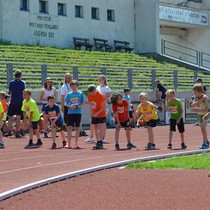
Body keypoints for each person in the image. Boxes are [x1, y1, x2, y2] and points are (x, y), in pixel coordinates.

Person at [85, 75, 111, 143]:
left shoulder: (106, 88)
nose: (99, 81)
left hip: (103, 106)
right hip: (96, 106)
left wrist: (103, 100)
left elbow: (108, 97)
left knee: (101, 124)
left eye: (101, 79)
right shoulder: (97, 87)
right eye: (98, 79)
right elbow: (92, 101)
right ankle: (93, 137)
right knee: (93, 123)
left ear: (104, 80)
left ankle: (103, 138)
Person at [65, 80, 85, 149]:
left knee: (77, 127)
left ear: (77, 86)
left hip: (78, 112)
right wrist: (70, 106)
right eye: (72, 86)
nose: (73, 87)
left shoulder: (80, 94)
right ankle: (68, 143)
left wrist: (77, 107)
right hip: (70, 112)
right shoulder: (69, 94)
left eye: (75, 86)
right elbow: (66, 103)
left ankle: (76, 143)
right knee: (69, 127)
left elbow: (83, 103)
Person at [5, 70, 25, 138]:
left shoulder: (11, 82)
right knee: (18, 118)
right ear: (20, 76)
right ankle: (17, 132)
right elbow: (23, 91)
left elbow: (10, 91)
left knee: (10, 117)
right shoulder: (22, 83)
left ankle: (9, 131)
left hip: (13, 101)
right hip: (20, 102)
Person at [88, 85, 106, 150]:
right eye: (91, 93)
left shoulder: (100, 95)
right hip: (94, 113)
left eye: (93, 92)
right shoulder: (89, 95)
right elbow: (91, 104)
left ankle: (101, 141)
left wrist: (97, 113)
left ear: (95, 90)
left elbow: (103, 107)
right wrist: (92, 114)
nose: (92, 94)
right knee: (95, 127)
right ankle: (98, 141)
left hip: (101, 113)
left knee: (100, 127)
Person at [191, 83, 209, 149]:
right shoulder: (196, 97)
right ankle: (206, 141)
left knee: (203, 128)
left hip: (206, 114)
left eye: (195, 92)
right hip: (200, 115)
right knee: (202, 129)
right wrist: (199, 102)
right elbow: (193, 105)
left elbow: (206, 109)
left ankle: (204, 143)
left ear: (199, 91)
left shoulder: (205, 97)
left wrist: (198, 109)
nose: (194, 93)